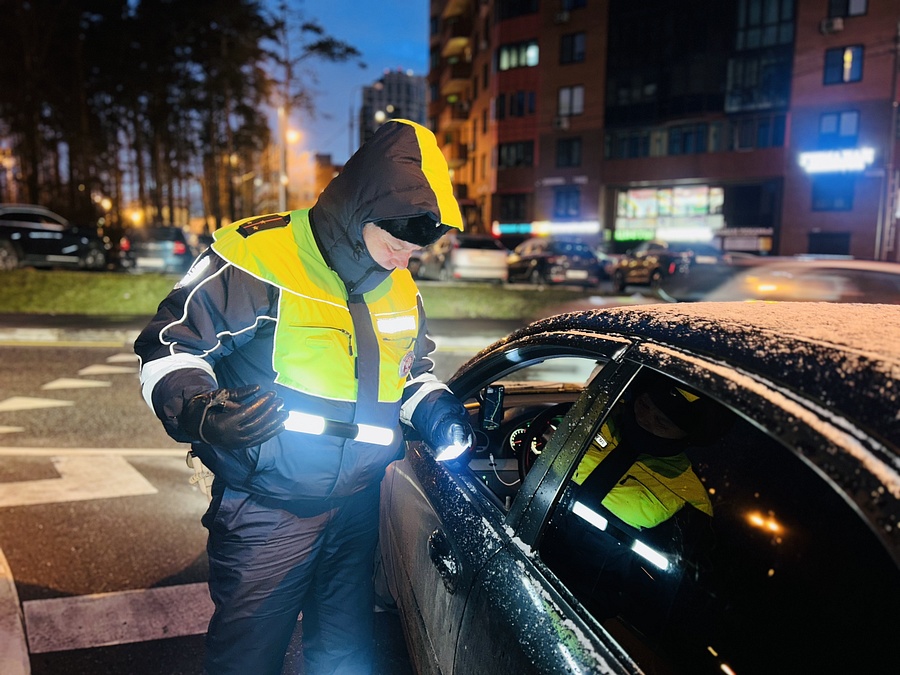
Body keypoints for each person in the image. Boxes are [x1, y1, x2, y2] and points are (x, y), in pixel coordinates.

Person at [133, 119, 474, 675]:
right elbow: (167, 348)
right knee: (247, 659)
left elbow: (410, 372)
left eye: (416, 249)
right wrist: (199, 409)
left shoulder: (401, 284)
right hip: (268, 507)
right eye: (395, 242)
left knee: (345, 654)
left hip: (358, 505)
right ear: (362, 205)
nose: (402, 258)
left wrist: (434, 407)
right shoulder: (260, 257)